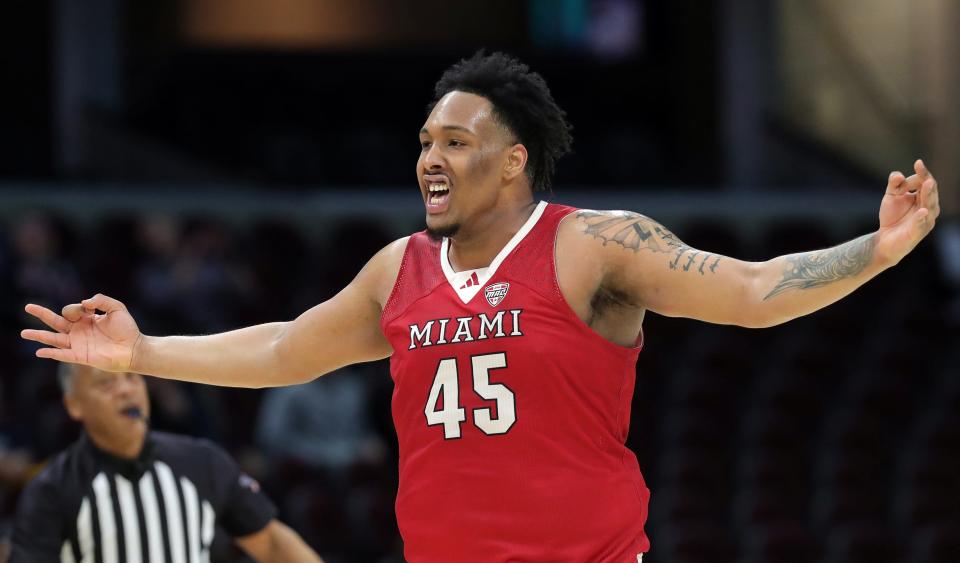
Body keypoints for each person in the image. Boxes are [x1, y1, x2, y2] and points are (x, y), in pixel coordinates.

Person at [20, 51, 940, 562]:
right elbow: (286, 349)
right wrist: (138, 355)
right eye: (424, 140)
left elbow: (747, 292)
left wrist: (880, 248)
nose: (429, 157)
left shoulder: (594, 242)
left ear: (513, 160)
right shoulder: (398, 268)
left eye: (456, 141)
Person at [7, 364, 323, 563]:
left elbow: (271, 543)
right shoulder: (52, 487)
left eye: (132, 376)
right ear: (73, 405)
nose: (125, 389)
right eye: (105, 383)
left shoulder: (201, 461)